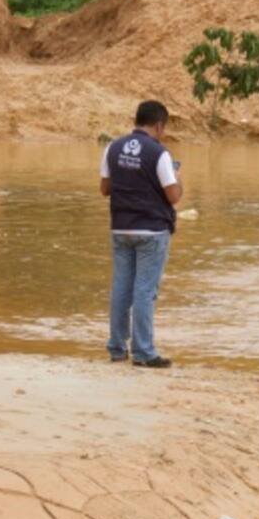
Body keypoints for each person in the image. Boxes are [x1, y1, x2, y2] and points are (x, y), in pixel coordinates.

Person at [99, 100, 182, 368]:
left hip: (120, 227)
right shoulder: (159, 154)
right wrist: (176, 175)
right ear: (159, 125)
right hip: (151, 231)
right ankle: (144, 352)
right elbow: (173, 195)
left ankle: (117, 348)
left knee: (121, 289)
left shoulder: (112, 147)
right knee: (145, 291)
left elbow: (104, 189)